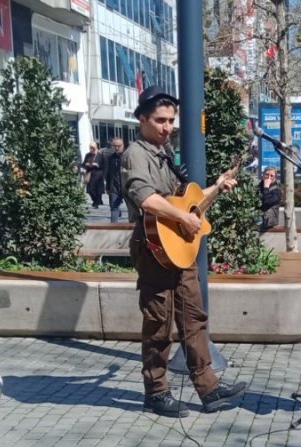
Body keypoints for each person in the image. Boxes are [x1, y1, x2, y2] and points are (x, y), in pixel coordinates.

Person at [122, 86, 247, 418]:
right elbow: (146, 199)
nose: (167, 127)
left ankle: (208, 386)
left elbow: (185, 205)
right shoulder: (136, 153)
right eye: (160, 121)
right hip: (152, 247)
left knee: (193, 316)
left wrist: (217, 187)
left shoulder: (164, 154)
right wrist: (183, 218)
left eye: (171, 121)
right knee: (158, 322)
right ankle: (156, 392)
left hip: (177, 247)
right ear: (142, 119)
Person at [103, 137, 126, 222]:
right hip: (114, 188)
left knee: (133, 210)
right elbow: (108, 173)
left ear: (123, 145)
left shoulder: (127, 156)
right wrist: (108, 187)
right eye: (114, 146)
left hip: (127, 187)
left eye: (119, 146)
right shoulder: (110, 158)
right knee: (114, 207)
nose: (116, 148)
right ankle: (114, 227)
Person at [84, 142, 104, 208]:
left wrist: (97, 165)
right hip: (90, 173)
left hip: (98, 174)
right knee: (90, 190)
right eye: (90, 148)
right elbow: (84, 163)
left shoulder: (100, 155)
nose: (91, 149)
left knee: (98, 190)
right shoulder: (88, 155)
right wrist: (86, 164)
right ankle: (95, 200)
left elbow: (104, 164)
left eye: (93, 148)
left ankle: (96, 202)